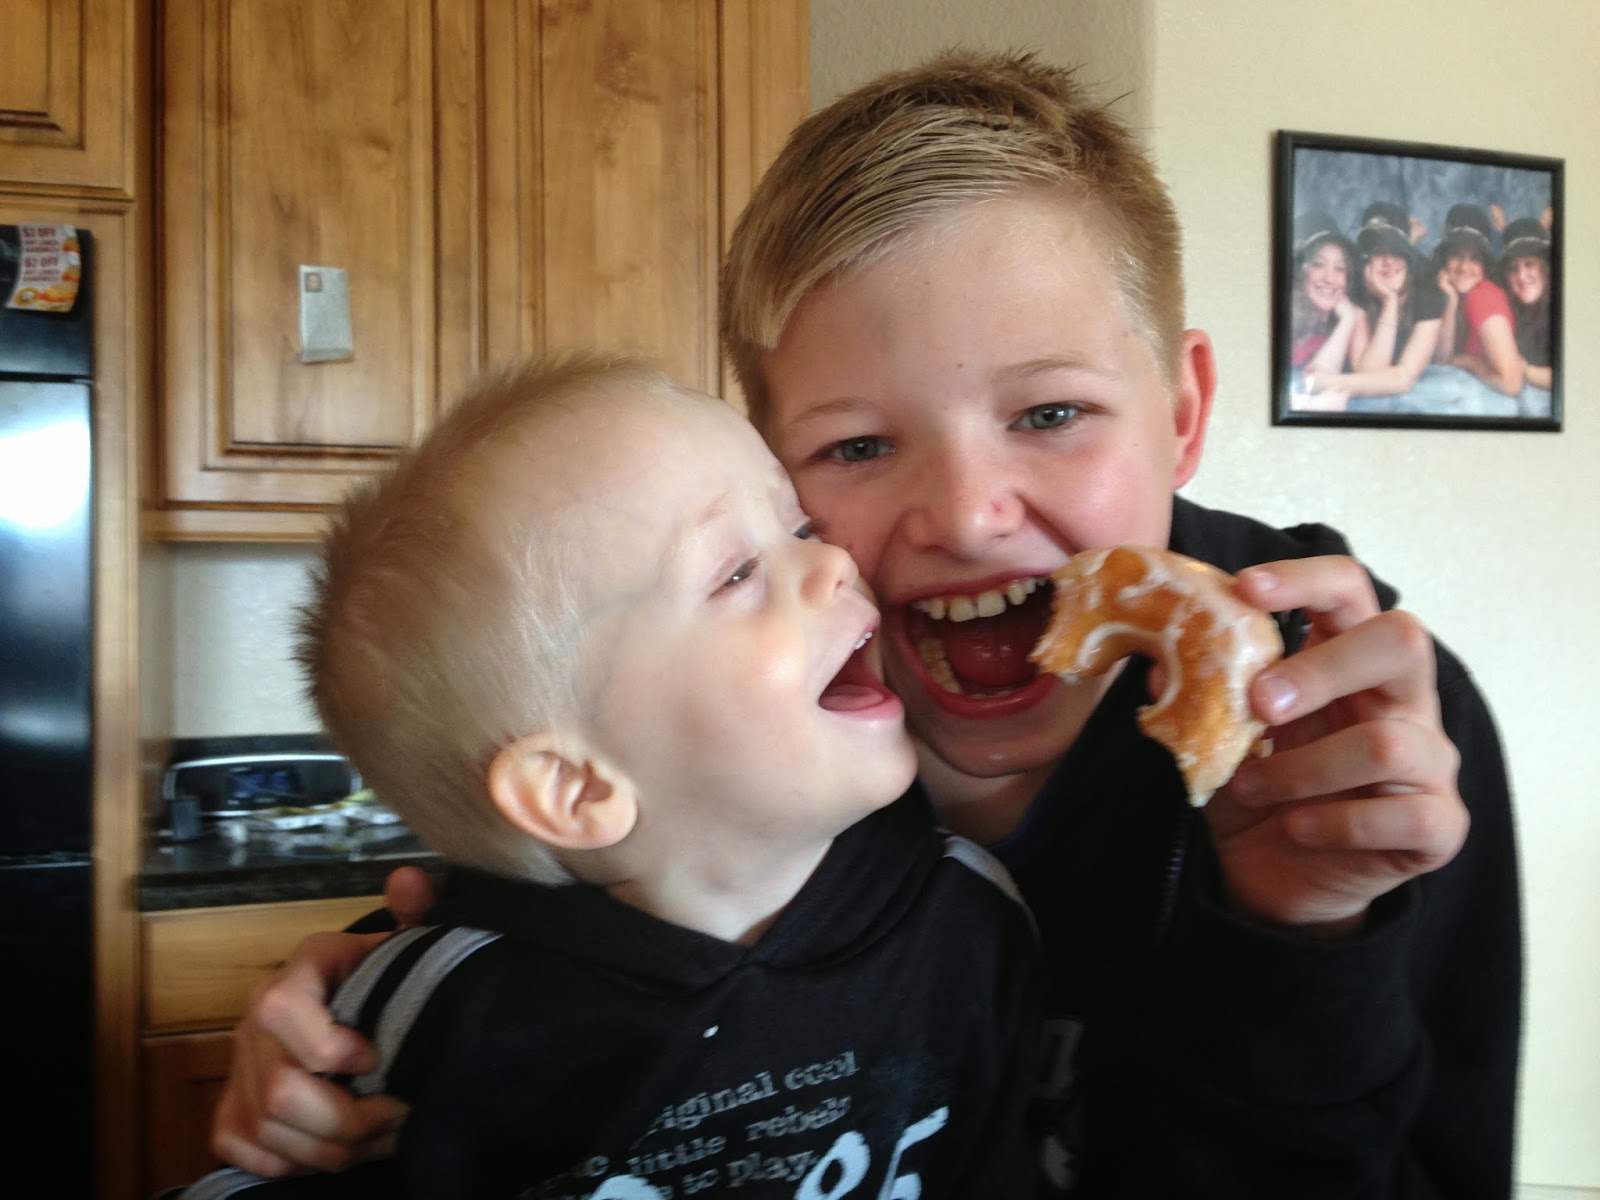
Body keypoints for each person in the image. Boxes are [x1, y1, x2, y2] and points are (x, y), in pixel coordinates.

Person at [213, 51, 1521, 1199]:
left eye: (1051, 414)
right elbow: (586, 908)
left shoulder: (1353, 740)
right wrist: (362, 1024)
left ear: (1180, 415)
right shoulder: (758, 706)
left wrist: (1307, 939)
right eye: (855, 446)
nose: (963, 515)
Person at [173, 354, 1042, 1198]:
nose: (835, 562)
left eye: (800, 531)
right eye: (738, 573)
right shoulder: (444, 1008)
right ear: (578, 789)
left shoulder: (968, 916)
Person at [1301, 201, 1447, 402]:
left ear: (1407, 255)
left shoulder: (1428, 292)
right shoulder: (1358, 289)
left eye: (1397, 251)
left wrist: (1328, 382)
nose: (1388, 261)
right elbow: (1368, 372)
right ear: (1367, 260)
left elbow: (1404, 379)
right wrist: (1389, 304)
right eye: (1379, 252)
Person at [1434, 202, 1526, 395]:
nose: (1464, 267)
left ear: (1484, 267)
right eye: (1457, 255)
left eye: (1474, 258)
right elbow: (1442, 359)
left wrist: (1467, 361)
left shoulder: (1482, 296)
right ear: (1445, 260)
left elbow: (1511, 384)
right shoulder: (1456, 295)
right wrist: (1450, 301)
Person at [1287, 210, 1368, 378]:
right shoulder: (1287, 319)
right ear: (1299, 271)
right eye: (1318, 264)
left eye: (1340, 268)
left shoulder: (1348, 316)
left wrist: (1348, 318)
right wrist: (1347, 320)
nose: (1329, 278)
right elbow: (1314, 382)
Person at [1498, 213, 1554, 392]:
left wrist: (1526, 371)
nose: (1521, 277)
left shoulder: (1567, 308)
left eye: (1529, 264)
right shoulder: (1508, 308)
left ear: (1546, 269)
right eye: (1514, 268)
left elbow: (1577, 377)